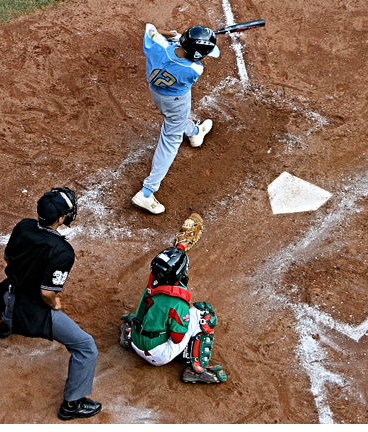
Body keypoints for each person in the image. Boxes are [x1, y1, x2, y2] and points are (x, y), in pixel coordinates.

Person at [0, 187, 102, 420]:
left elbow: (7, 257)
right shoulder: (63, 251)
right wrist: (54, 304)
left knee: (14, 290)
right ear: (61, 219)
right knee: (86, 346)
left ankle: (5, 326)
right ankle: (72, 405)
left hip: (5, 298)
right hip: (31, 314)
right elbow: (46, 293)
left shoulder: (23, 226)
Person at [118, 214, 227, 383]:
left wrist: (181, 245)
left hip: (135, 339)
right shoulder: (177, 302)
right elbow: (177, 337)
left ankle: (128, 334)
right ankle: (196, 369)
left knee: (154, 311)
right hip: (158, 355)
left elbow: (167, 265)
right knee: (204, 313)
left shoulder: (154, 277)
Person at [131, 23, 220, 215]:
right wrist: (180, 40)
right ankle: (147, 192)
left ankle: (195, 132)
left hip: (156, 93)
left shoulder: (157, 45)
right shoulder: (195, 69)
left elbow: (150, 29)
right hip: (176, 101)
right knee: (171, 139)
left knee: (176, 121)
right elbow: (193, 60)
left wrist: (173, 36)